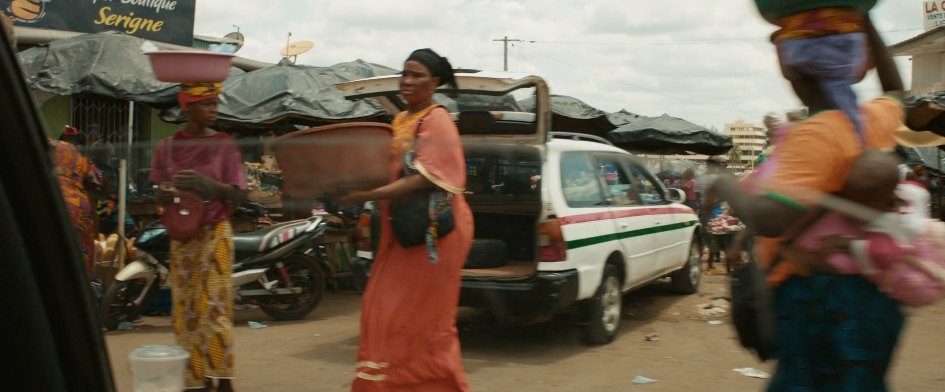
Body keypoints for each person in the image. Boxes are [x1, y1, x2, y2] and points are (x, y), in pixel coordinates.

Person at [704, 13, 905, 391]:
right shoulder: (872, 120)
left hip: (819, 303)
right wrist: (865, 20)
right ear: (858, 68)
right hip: (870, 294)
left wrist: (723, 183)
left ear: (791, 71)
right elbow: (897, 90)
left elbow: (772, 219)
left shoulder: (814, 135)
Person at [340, 48, 474, 391]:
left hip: (434, 232)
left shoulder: (438, 118)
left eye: (418, 75)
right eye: (405, 73)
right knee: (382, 306)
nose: (408, 81)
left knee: (423, 318)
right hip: (400, 226)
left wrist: (367, 196)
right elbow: (390, 169)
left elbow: (425, 178)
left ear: (436, 82)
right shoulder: (401, 119)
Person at [149, 82, 245, 392]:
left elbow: (238, 196)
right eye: (207, 104)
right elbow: (158, 191)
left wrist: (209, 185)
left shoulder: (225, 144)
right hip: (183, 237)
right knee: (185, 307)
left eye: (216, 103)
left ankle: (223, 378)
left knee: (215, 305)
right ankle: (195, 379)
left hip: (215, 232)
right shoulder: (168, 146)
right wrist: (165, 192)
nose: (214, 109)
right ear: (188, 107)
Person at [794, 150, 945, 306]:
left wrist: (848, 244)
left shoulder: (888, 226)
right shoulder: (908, 192)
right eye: (846, 198)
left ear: (888, 203)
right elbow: (917, 188)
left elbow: (884, 253)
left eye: (860, 204)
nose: (848, 209)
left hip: (918, 281)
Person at [755, 0, 876, 141]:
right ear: (866, 62)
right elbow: (894, 89)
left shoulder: (803, 147)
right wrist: (865, 18)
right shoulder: (874, 124)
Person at [50, 125, 101, 273]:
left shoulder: (48, 151)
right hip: (79, 212)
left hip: (52, 205)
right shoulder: (82, 159)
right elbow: (98, 186)